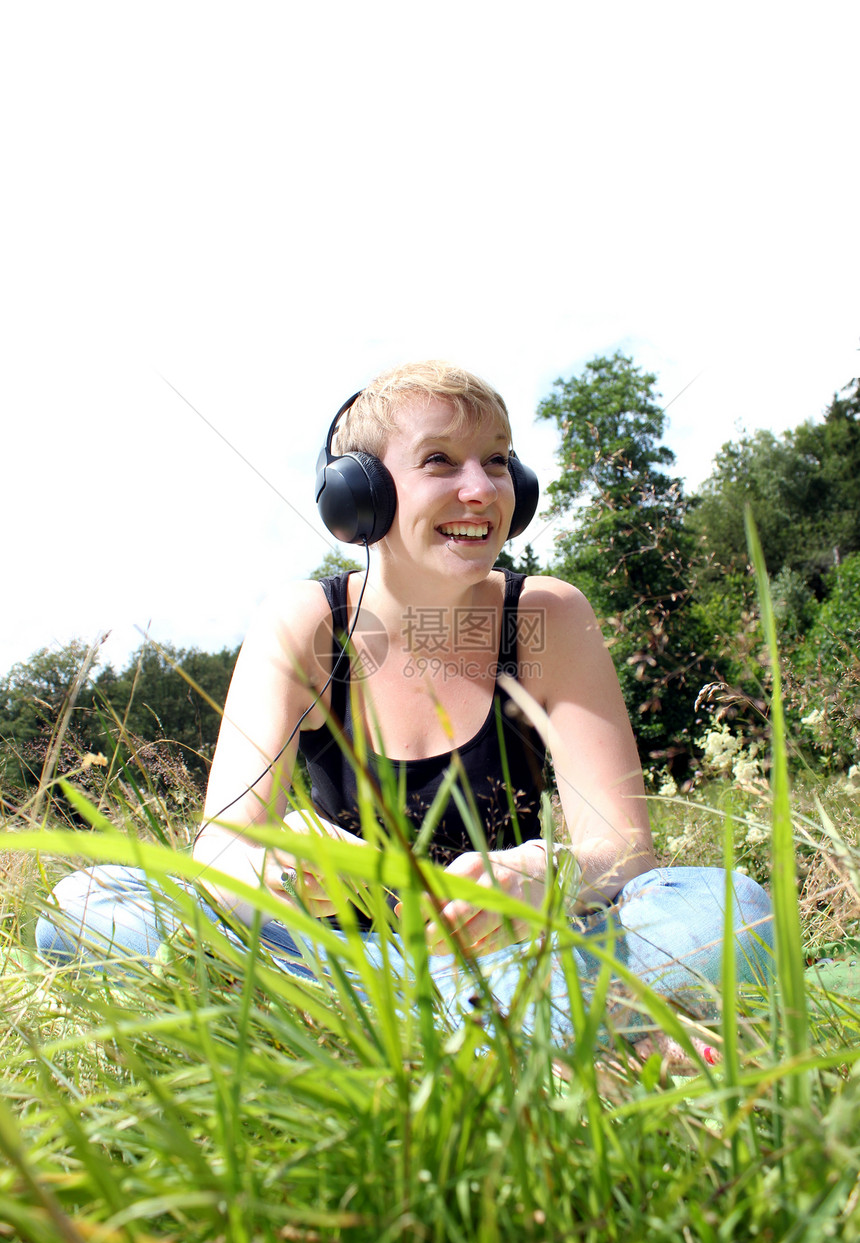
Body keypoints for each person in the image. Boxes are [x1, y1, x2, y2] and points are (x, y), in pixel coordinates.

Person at [36, 360, 774, 1061]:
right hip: (339, 964)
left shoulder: (547, 615)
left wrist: (544, 873)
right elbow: (220, 853)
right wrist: (285, 863)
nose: (483, 488)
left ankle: (378, 1043)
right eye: (441, 462)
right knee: (90, 903)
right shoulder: (306, 623)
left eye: (498, 460)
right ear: (360, 497)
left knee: (731, 907)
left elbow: (624, 854)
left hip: (520, 952)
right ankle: (559, 1037)